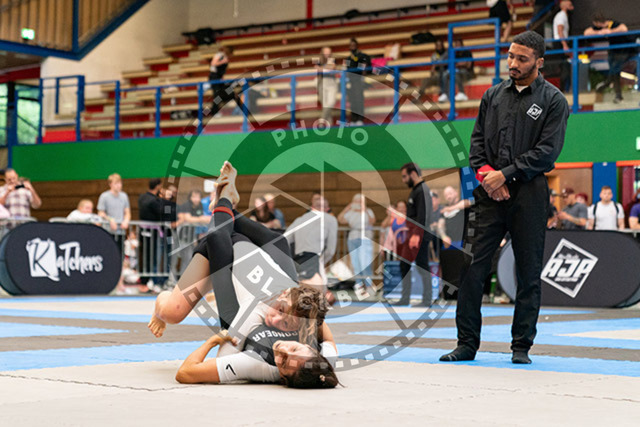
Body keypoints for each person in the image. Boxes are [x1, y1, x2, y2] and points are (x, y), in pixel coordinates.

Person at [440, 31, 569, 364]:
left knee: (528, 271)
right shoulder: (492, 96)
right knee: (471, 268)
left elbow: (547, 152)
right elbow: (476, 145)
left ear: (539, 62)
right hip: (489, 193)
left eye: (521, 59)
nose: (513, 63)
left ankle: (521, 345)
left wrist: (506, 174)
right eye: (510, 56)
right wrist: (490, 178)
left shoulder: (554, 101)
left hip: (530, 193)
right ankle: (466, 343)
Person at [148, 162, 338, 387]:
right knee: (276, 242)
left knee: (172, 312)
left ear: (283, 376)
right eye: (281, 312)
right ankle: (225, 204)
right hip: (246, 259)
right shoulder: (311, 329)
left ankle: (225, 204)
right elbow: (325, 336)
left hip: (228, 261)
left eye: (284, 362)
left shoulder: (261, 361)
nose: (282, 349)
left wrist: (214, 341)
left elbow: (198, 369)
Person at [394, 163, 433, 307]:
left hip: (419, 235)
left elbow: (423, 215)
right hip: (412, 234)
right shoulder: (416, 190)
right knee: (404, 264)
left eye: (405, 176)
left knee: (422, 266)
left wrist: (417, 235)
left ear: (413, 174)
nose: (403, 180)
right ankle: (405, 298)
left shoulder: (422, 190)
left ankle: (427, 299)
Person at [286, 195, 338, 288]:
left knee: (300, 291)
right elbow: (331, 250)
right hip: (314, 259)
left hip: (298, 260)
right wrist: (321, 261)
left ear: (312, 207)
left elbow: (285, 239)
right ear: (327, 209)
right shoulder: (330, 219)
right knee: (317, 291)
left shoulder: (299, 220)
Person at [584, 13, 634, 104]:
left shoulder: (612, 24)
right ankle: (618, 96)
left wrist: (610, 31)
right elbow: (586, 32)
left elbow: (624, 28)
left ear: (598, 22)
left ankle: (606, 83)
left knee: (615, 69)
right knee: (615, 72)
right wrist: (599, 32)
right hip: (612, 51)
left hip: (623, 50)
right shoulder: (599, 28)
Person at [338, 194, 376, 292]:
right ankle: (359, 285)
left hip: (365, 239)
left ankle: (368, 285)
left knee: (365, 263)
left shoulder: (369, 211)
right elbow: (340, 219)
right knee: (355, 263)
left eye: (360, 201)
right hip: (353, 239)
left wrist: (365, 210)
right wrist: (347, 209)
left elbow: (372, 221)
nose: (358, 203)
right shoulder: (351, 212)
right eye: (356, 201)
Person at [138, 179, 169, 286]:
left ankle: (145, 280)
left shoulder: (142, 197)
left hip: (143, 231)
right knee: (153, 257)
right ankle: (153, 281)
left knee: (145, 255)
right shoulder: (154, 201)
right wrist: (164, 199)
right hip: (153, 232)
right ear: (158, 186)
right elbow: (164, 212)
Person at [97, 173, 131, 244]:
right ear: (110, 184)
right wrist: (110, 219)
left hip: (121, 230)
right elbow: (100, 212)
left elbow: (127, 212)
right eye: (116, 183)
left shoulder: (124, 196)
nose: (119, 185)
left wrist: (126, 220)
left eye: (120, 183)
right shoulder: (104, 196)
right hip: (108, 230)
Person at [344, 38, 371, 126]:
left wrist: (363, 77)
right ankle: (353, 119)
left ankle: (360, 119)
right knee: (352, 100)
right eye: (351, 45)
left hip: (359, 80)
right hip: (351, 82)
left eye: (354, 45)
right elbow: (347, 70)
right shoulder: (348, 59)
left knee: (359, 99)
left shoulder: (362, 56)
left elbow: (365, 67)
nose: (352, 47)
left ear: (357, 46)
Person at [551, 0, 573, 93]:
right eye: (569, 4)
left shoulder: (563, 16)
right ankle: (563, 89)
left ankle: (564, 88)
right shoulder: (561, 15)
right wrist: (564, 45)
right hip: (559, 43)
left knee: (564, 66)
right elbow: (560, 30)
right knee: (563, 67)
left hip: (561, 42)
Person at [208, 45, 236, 116]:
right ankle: (214, 112)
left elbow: (221, 71)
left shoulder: (225, 58)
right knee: (217, 95)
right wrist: (223, 61)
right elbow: (213, 63)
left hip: (219, 78)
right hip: (214, 78)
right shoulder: (220, 55)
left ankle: (229, 104)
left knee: (229, 91)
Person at [315, 47, 338, 123]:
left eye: (329, 52)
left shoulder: (332, 60)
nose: (328, 53)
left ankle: (321, 120)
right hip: (322, 83)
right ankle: (328, 123)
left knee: (331, 102)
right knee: (325, 104)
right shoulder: (319, 61)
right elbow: (316, 68)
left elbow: (332, 67)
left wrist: (322, 68)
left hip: (331, 83)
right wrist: (326, 68)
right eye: (326, 52)